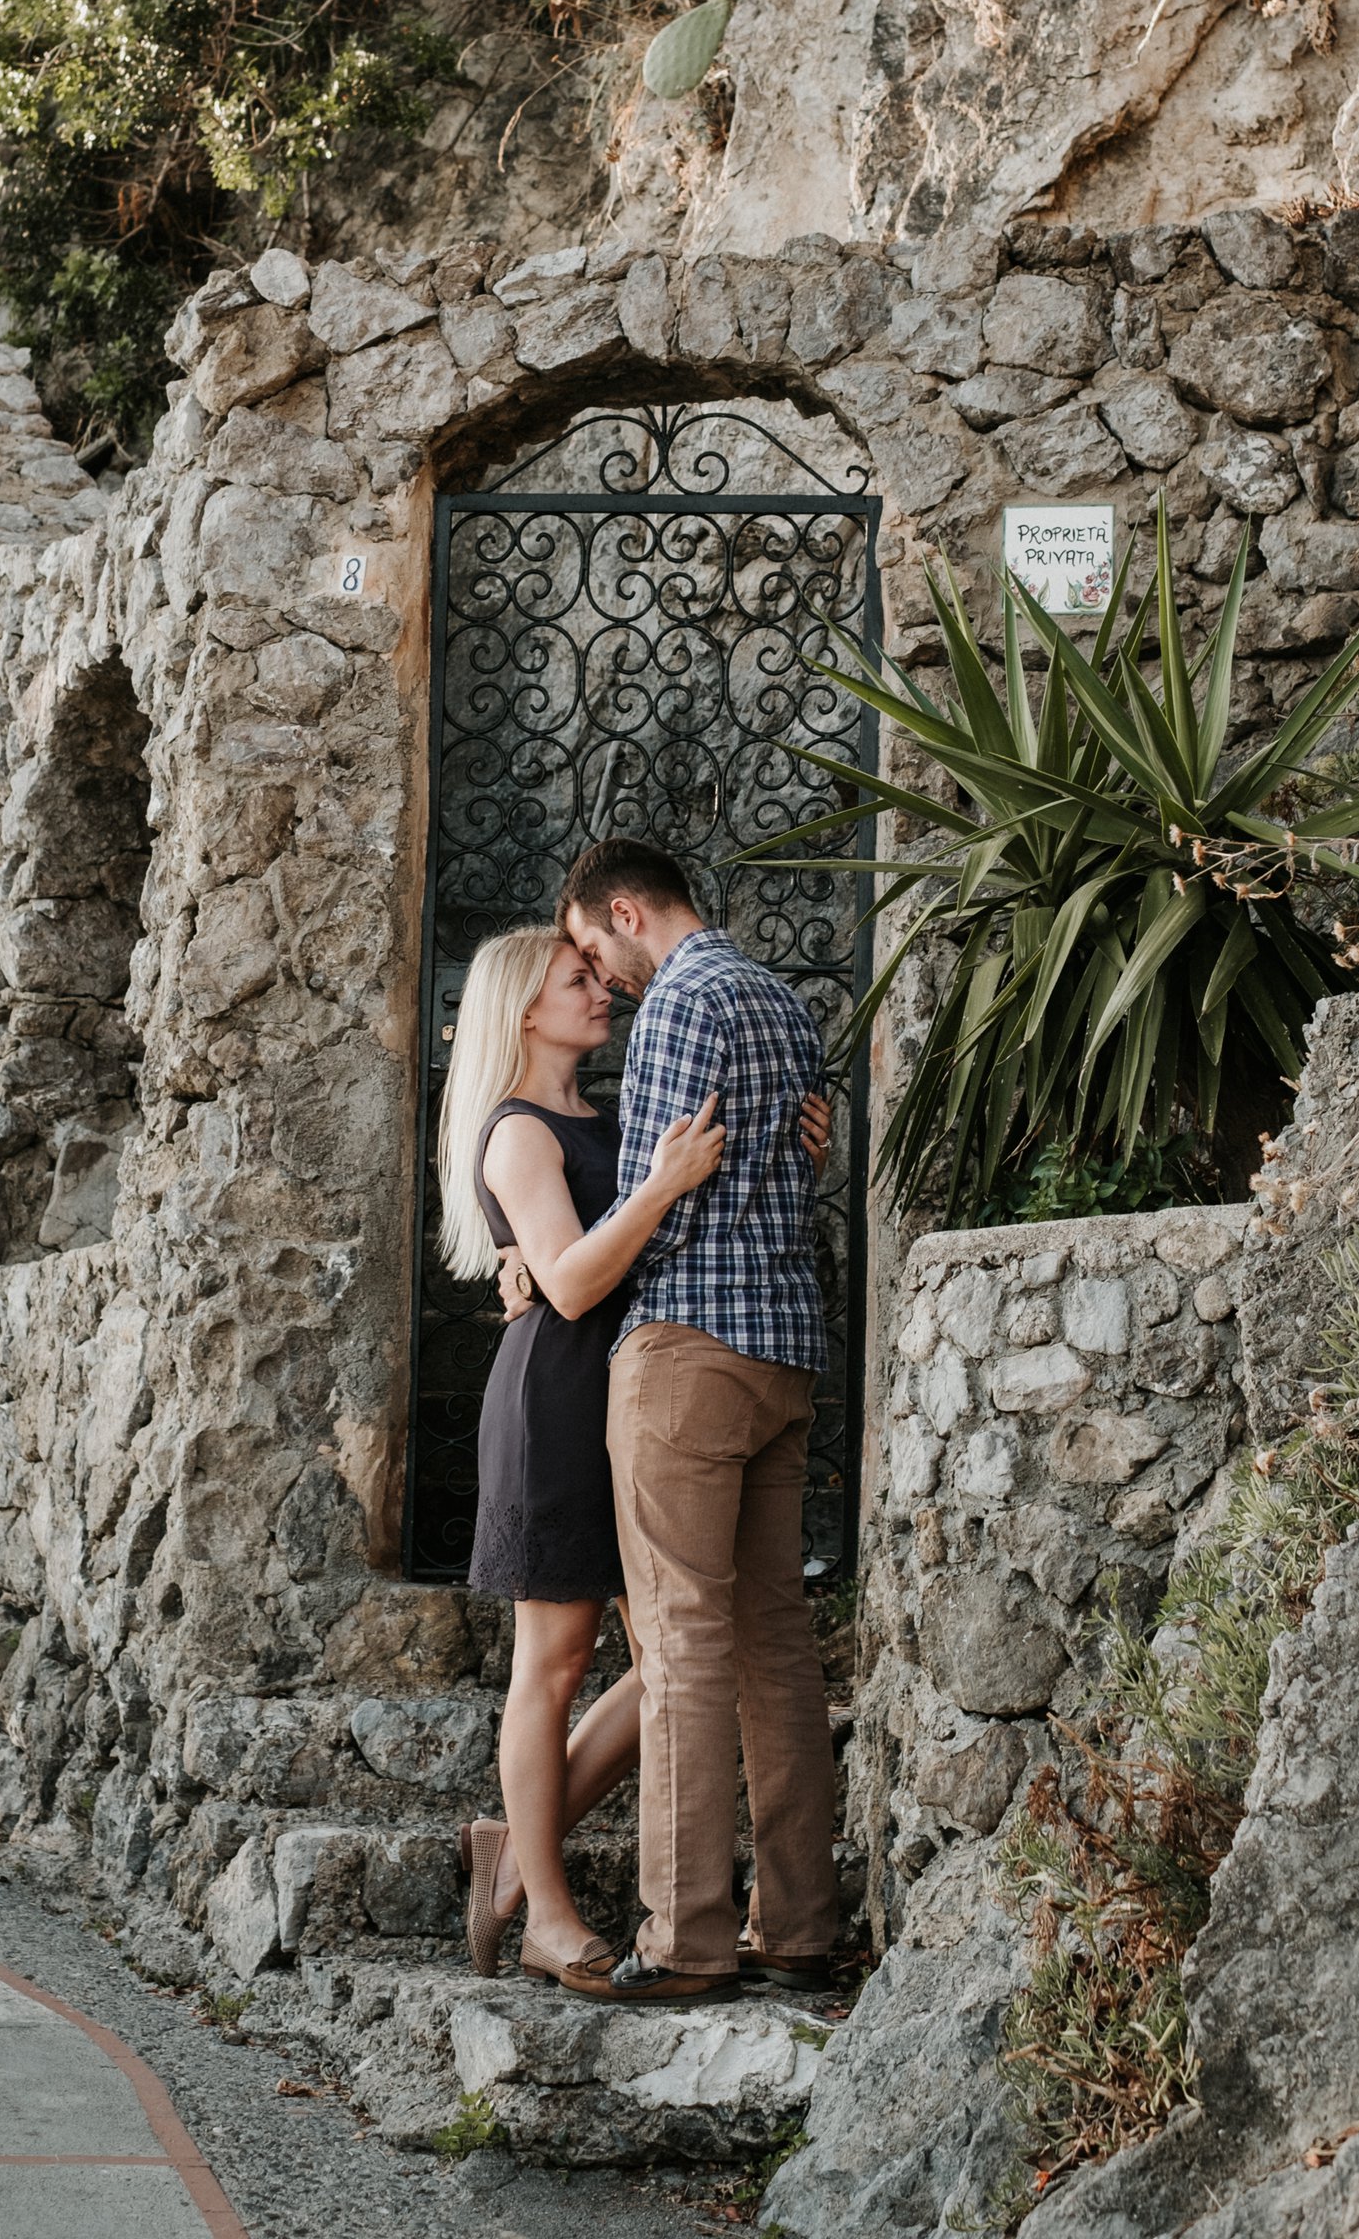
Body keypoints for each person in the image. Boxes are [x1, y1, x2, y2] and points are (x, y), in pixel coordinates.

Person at [437, 924, 828, 1983]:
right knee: (553, 1666)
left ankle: (510, 1845)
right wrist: (658, 1187)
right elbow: (566, 1283)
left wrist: (788, 1145)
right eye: (578, 982)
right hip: (556, 1409)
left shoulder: (602, 1119)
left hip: (631, 1398)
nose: (602, 991)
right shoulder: (517, 1131)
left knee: (670, 1661)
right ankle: (548, 1917)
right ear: (524, 1009)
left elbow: (659, 1232)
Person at [549, 837, 842, 2008]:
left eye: (590, 946)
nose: (599, 973)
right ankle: (798, 1926)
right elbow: (792, 1169)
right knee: (774, 1639)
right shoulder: (776, 997)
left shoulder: (680, 1004)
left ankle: (686, 1939)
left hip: (688, 1355)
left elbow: (656, 1207)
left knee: (679, 1644)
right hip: (782, 1355)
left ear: (626, 912)